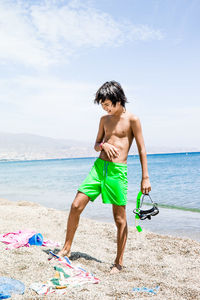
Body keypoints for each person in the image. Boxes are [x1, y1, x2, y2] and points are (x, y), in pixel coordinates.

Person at [59, 81, 151, 274]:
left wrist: (145, 178)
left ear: (119, 99)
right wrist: (103, 146)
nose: (106, 108)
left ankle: (118, 262)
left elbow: (142, 149)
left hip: (118, 172)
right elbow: (96, 143)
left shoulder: (133, 119)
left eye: (108, 104)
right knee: (76, 205)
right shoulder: (104, 120)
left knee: (119, 219)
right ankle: (66, 248)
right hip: (98, 168)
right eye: (103, 106)